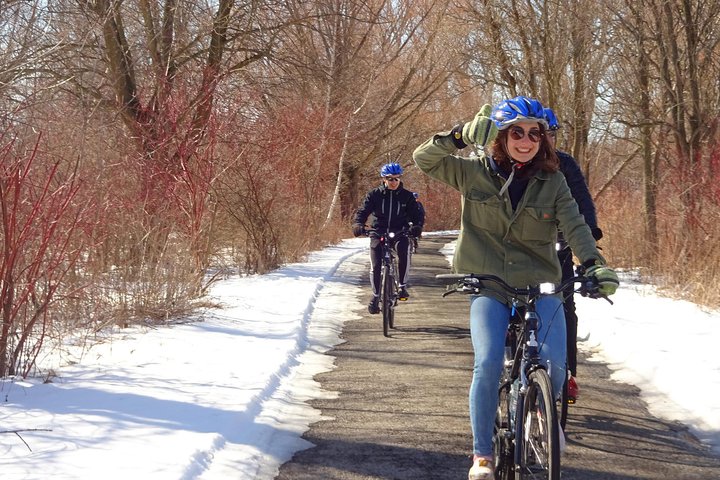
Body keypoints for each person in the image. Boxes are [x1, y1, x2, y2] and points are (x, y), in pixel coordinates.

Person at [413, 96, 619, 480]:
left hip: (540, 283)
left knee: (556, 368)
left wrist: (593, 264)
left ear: (543, 140)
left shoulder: (554, 180)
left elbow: (575, 225)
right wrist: (458, 136)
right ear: (502, 137)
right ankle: (483, 456)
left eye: (534, 134)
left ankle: (535, 413)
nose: (525, 141)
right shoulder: (474, 173)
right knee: (489, 361)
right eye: (517, 133)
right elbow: (425, 159)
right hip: (489, 283)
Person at [544, 107, 604, 403]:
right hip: (519, 252)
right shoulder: (516, 164)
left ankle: (567, 374)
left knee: (566, 310)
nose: (546, 139)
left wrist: (590, 232)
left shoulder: (565, 164)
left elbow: (582, 200)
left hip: (561, 247)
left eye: (550, 134)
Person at [352, 163, 423, 314]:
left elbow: (416, 215)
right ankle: (376, 296)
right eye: (390, 179)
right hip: (379, 231)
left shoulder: (407, 196)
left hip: (399, 231)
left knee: (404, 252)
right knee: (376, 265)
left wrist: (416, 226)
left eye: (396, 179)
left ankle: (402, 286)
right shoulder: (374, 195)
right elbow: (363, 211)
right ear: (384, 179)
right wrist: (358, 224)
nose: (393, 182)